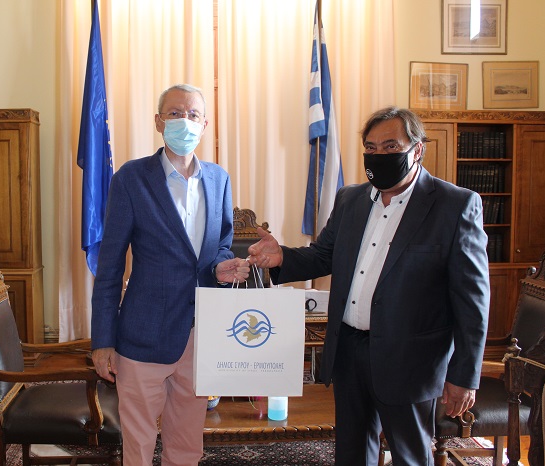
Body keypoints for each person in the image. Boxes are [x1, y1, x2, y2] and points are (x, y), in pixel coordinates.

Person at [248, 106, 490, 466]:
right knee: (352, 452)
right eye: (371, 148)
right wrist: (282, 256)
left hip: (411, 360)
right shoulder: (350, 198)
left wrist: (465, 376)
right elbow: (324, 255)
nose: (379, 155)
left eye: (391, 147)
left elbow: (473, 302)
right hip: (349, 351)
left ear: (417, 150)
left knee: (410, 456)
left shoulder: (454, 205)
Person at [91, 83, 250, 466]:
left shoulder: (219, 179)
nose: (184, 121)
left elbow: (221, 245)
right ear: (159, 121)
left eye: (193, 114)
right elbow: (110, 265)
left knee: (186, 444)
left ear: (205, 124)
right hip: (142, 336)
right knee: (138, 445)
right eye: (175, 113)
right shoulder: (131, 178)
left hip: (198, 336)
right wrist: (102, 341)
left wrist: (222, 266)